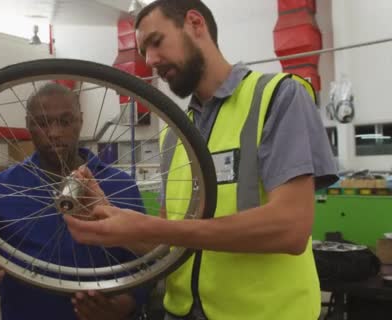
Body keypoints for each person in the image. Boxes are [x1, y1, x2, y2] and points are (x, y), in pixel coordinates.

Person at [63, 1, 338, 320]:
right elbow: (168, 246)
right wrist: (109, 216)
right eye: (143, 52)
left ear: (195, 23)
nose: (150, 60)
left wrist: (149, 225)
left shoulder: (278, 97)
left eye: (156, 41)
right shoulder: (173, 135)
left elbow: (291, 227)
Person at [0, 83, 149, 320]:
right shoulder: (0, 188)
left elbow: (145, 262)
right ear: (28, 125)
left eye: (65, 121)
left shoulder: (121, 185)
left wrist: (127, 303)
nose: (54, 133)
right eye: (42, 123)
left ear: (80, 121)